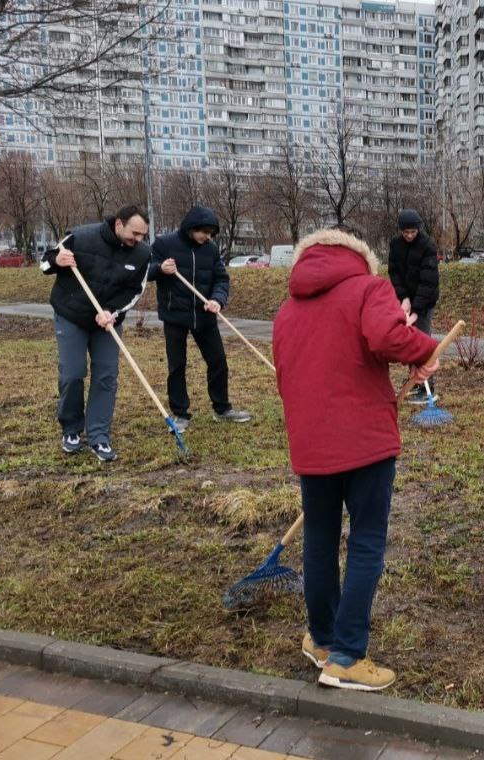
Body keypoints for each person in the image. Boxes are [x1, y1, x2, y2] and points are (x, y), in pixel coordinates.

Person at [273, 227, 439, 691]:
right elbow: (387, 337)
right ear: (359, 259)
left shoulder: (287, 311)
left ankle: (323, 640)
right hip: (364, 440)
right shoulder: (370, 288)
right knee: (366, 540)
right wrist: (424, 352)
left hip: (311, 444)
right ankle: (346, 657)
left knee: (321, 539)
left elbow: (283, 376)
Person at [40, 206, 152, 462]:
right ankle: (71, 430)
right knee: (73, 373)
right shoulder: (81, 236)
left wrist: (112, 312)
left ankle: (99, 436)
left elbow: (135, 291)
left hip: (106, 321)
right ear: (119, 224)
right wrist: (57, 261)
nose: (138, 240)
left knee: (106, 375)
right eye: (135, 233)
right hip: (71, 314)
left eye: (143, 235)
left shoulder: (143, 254)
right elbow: (45, 262)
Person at [148, 205, 251, 431]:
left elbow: (221, 279)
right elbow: (144, 271)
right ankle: (180, 413)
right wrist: (160, 268)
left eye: (211, 234)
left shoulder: (211, 250)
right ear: (191, 228)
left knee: (218, 362)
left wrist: (217, 299)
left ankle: (222, 409)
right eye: (204, 232)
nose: (207, 237)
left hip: (204, 315)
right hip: (175, 315)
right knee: (177, 365)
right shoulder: (164, 244)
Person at [388, 209, 439, 404]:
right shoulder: (395, 245)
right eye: (406, 232)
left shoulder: (428, 246)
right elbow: (394, 273)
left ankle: (428, 387)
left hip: (424, 303)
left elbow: (429, 281)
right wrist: (403, 298)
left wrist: (416, 310)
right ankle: (415, 381)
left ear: (418, 229)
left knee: (423, 341)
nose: (410, 235)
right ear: (401, 230)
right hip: (406, 301)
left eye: (413, 232)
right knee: (408, 341)